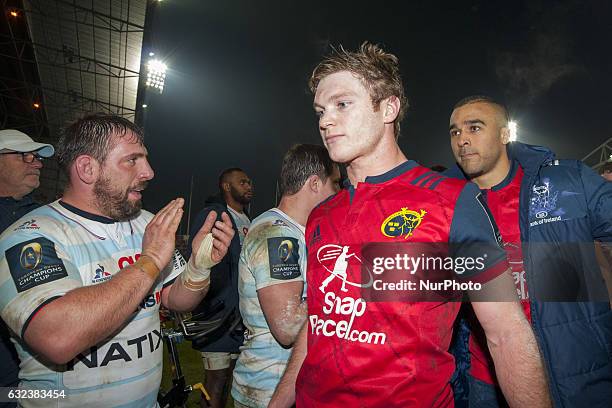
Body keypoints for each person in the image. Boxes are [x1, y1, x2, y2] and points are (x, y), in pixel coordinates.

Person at [270, 43, 549, 408]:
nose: (325, 121)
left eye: (342, 104)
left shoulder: (452, 202)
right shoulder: (322, 215)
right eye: (320, 110)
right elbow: (322, 320)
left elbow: (506, 333)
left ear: (388, 107)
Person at [0, 114, 235, 407]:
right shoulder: (30, 236)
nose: (149, 171)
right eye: (132, 160)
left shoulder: (147, 224)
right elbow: (58, 338)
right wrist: (148, 261)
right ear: (87, 168)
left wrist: (200, 268)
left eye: (145, 159)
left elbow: (177, 300)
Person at [445, 96, 612, 407]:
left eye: (474, 127)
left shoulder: (566, 181)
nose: (463, 139)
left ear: (505, 134)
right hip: (483, 378)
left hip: (570, 366)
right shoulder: (441, 202)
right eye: (455, 132)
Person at [231, 144, 340, 408]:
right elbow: (287, 327)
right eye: (335, 184)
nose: (339, 192)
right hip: (268, 390)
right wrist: (336, 283)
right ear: (314, 183)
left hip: (288, 387)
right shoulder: (278, 235)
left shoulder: (296, 233)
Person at [187, 167, 252, 408]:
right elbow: (199, 263)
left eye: (249, 182)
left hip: (240, 317)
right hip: (218, 315)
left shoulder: (249, 220)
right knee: (216, 380)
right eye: (243, 182)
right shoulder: (212, 216)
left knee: (231, 379)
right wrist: (213, 302)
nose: (249, 186)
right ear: (226, 186)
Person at [0, 129, 55, 408]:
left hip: (38, 369)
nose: (38, 162)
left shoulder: (47, 217)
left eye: (37, 157)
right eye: (26, 155)